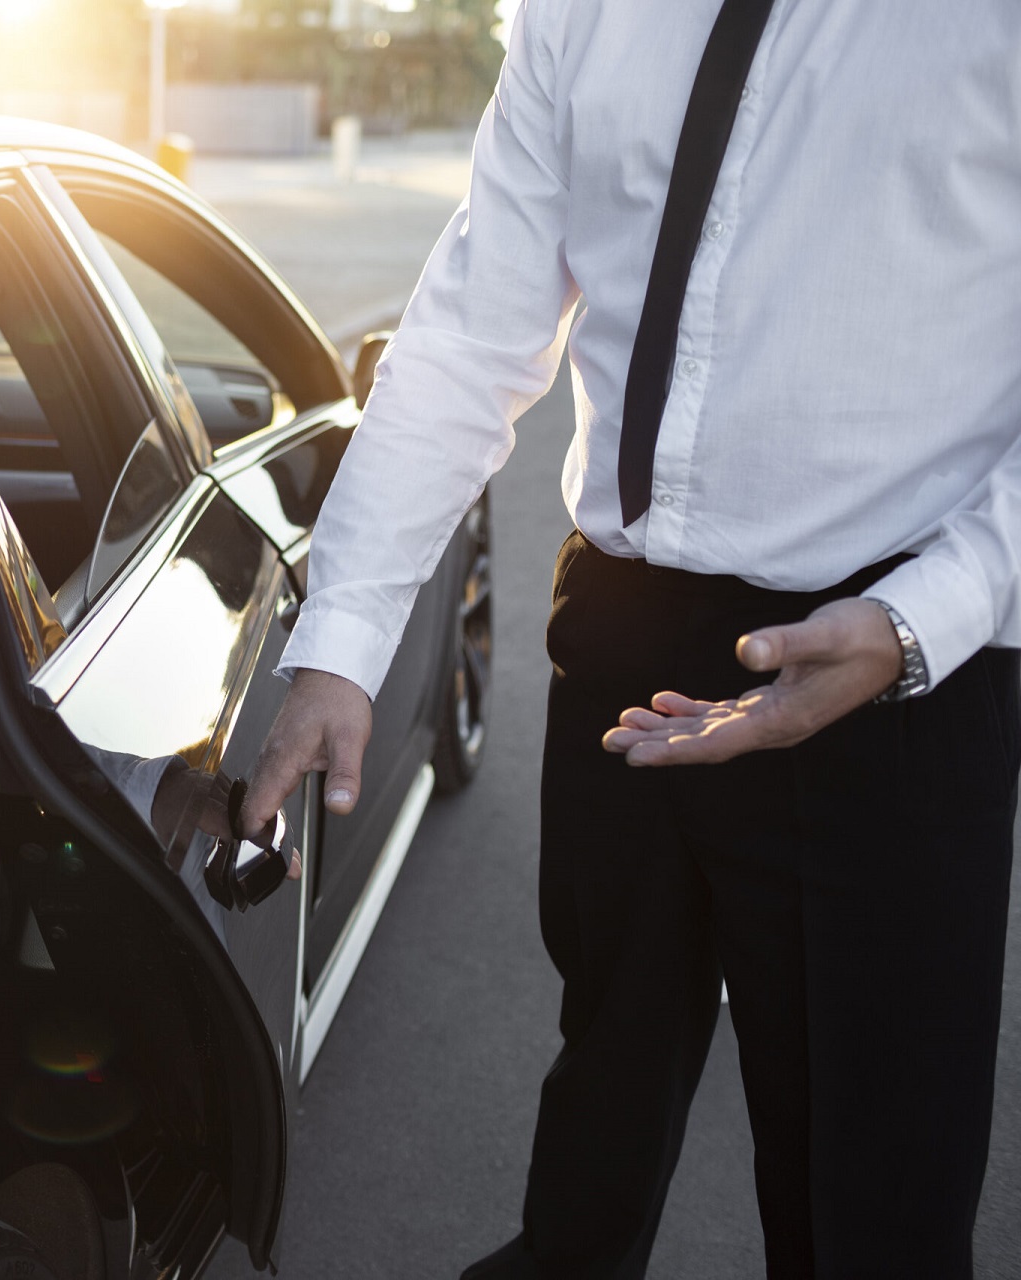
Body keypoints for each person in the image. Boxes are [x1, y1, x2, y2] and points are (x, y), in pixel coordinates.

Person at [242, 2, 1021, 1276]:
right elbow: (469, 334)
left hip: (891, 675)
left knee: (869, 1205)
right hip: (626, 630)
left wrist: (915, 619)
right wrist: (343, 639)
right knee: (605, 1073)